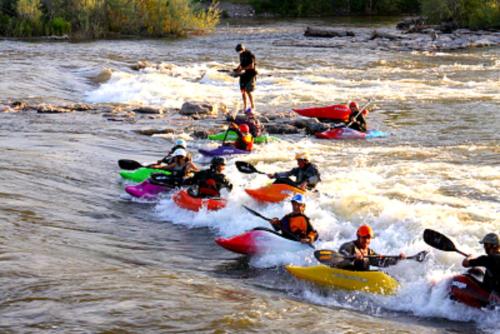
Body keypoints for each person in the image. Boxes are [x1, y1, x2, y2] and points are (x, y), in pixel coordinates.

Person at [337, 225, 405, 271]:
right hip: (346, 275)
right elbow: (340, 259)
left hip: (360, 278)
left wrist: (398, 259)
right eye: (364, 237)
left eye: (368, 238)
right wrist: (353, 257)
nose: (366, 240)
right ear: (358, 237)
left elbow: (381, 262)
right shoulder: (348, 246)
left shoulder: (369, 252)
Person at [462, 233, 500, 298]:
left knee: (464, 277)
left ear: (492, 245)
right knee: (477, 271)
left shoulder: (486, 259)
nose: (484, 247)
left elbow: (465, 263)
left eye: (485, 244)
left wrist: (469, 257)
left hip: (491, 293)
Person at [233, 43, 257, 112]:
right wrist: (237, 68)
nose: (239, 52)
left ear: (243, 49)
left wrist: (242, 69)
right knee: (242, 91)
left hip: (251, 74)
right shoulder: (241, 55)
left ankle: (252, 106)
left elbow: (251, 66)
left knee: (248, 91)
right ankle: (245, 106)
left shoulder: (250, 55)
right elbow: (241, 63)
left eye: (240, 51)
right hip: (243, 74)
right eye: (238, 51)